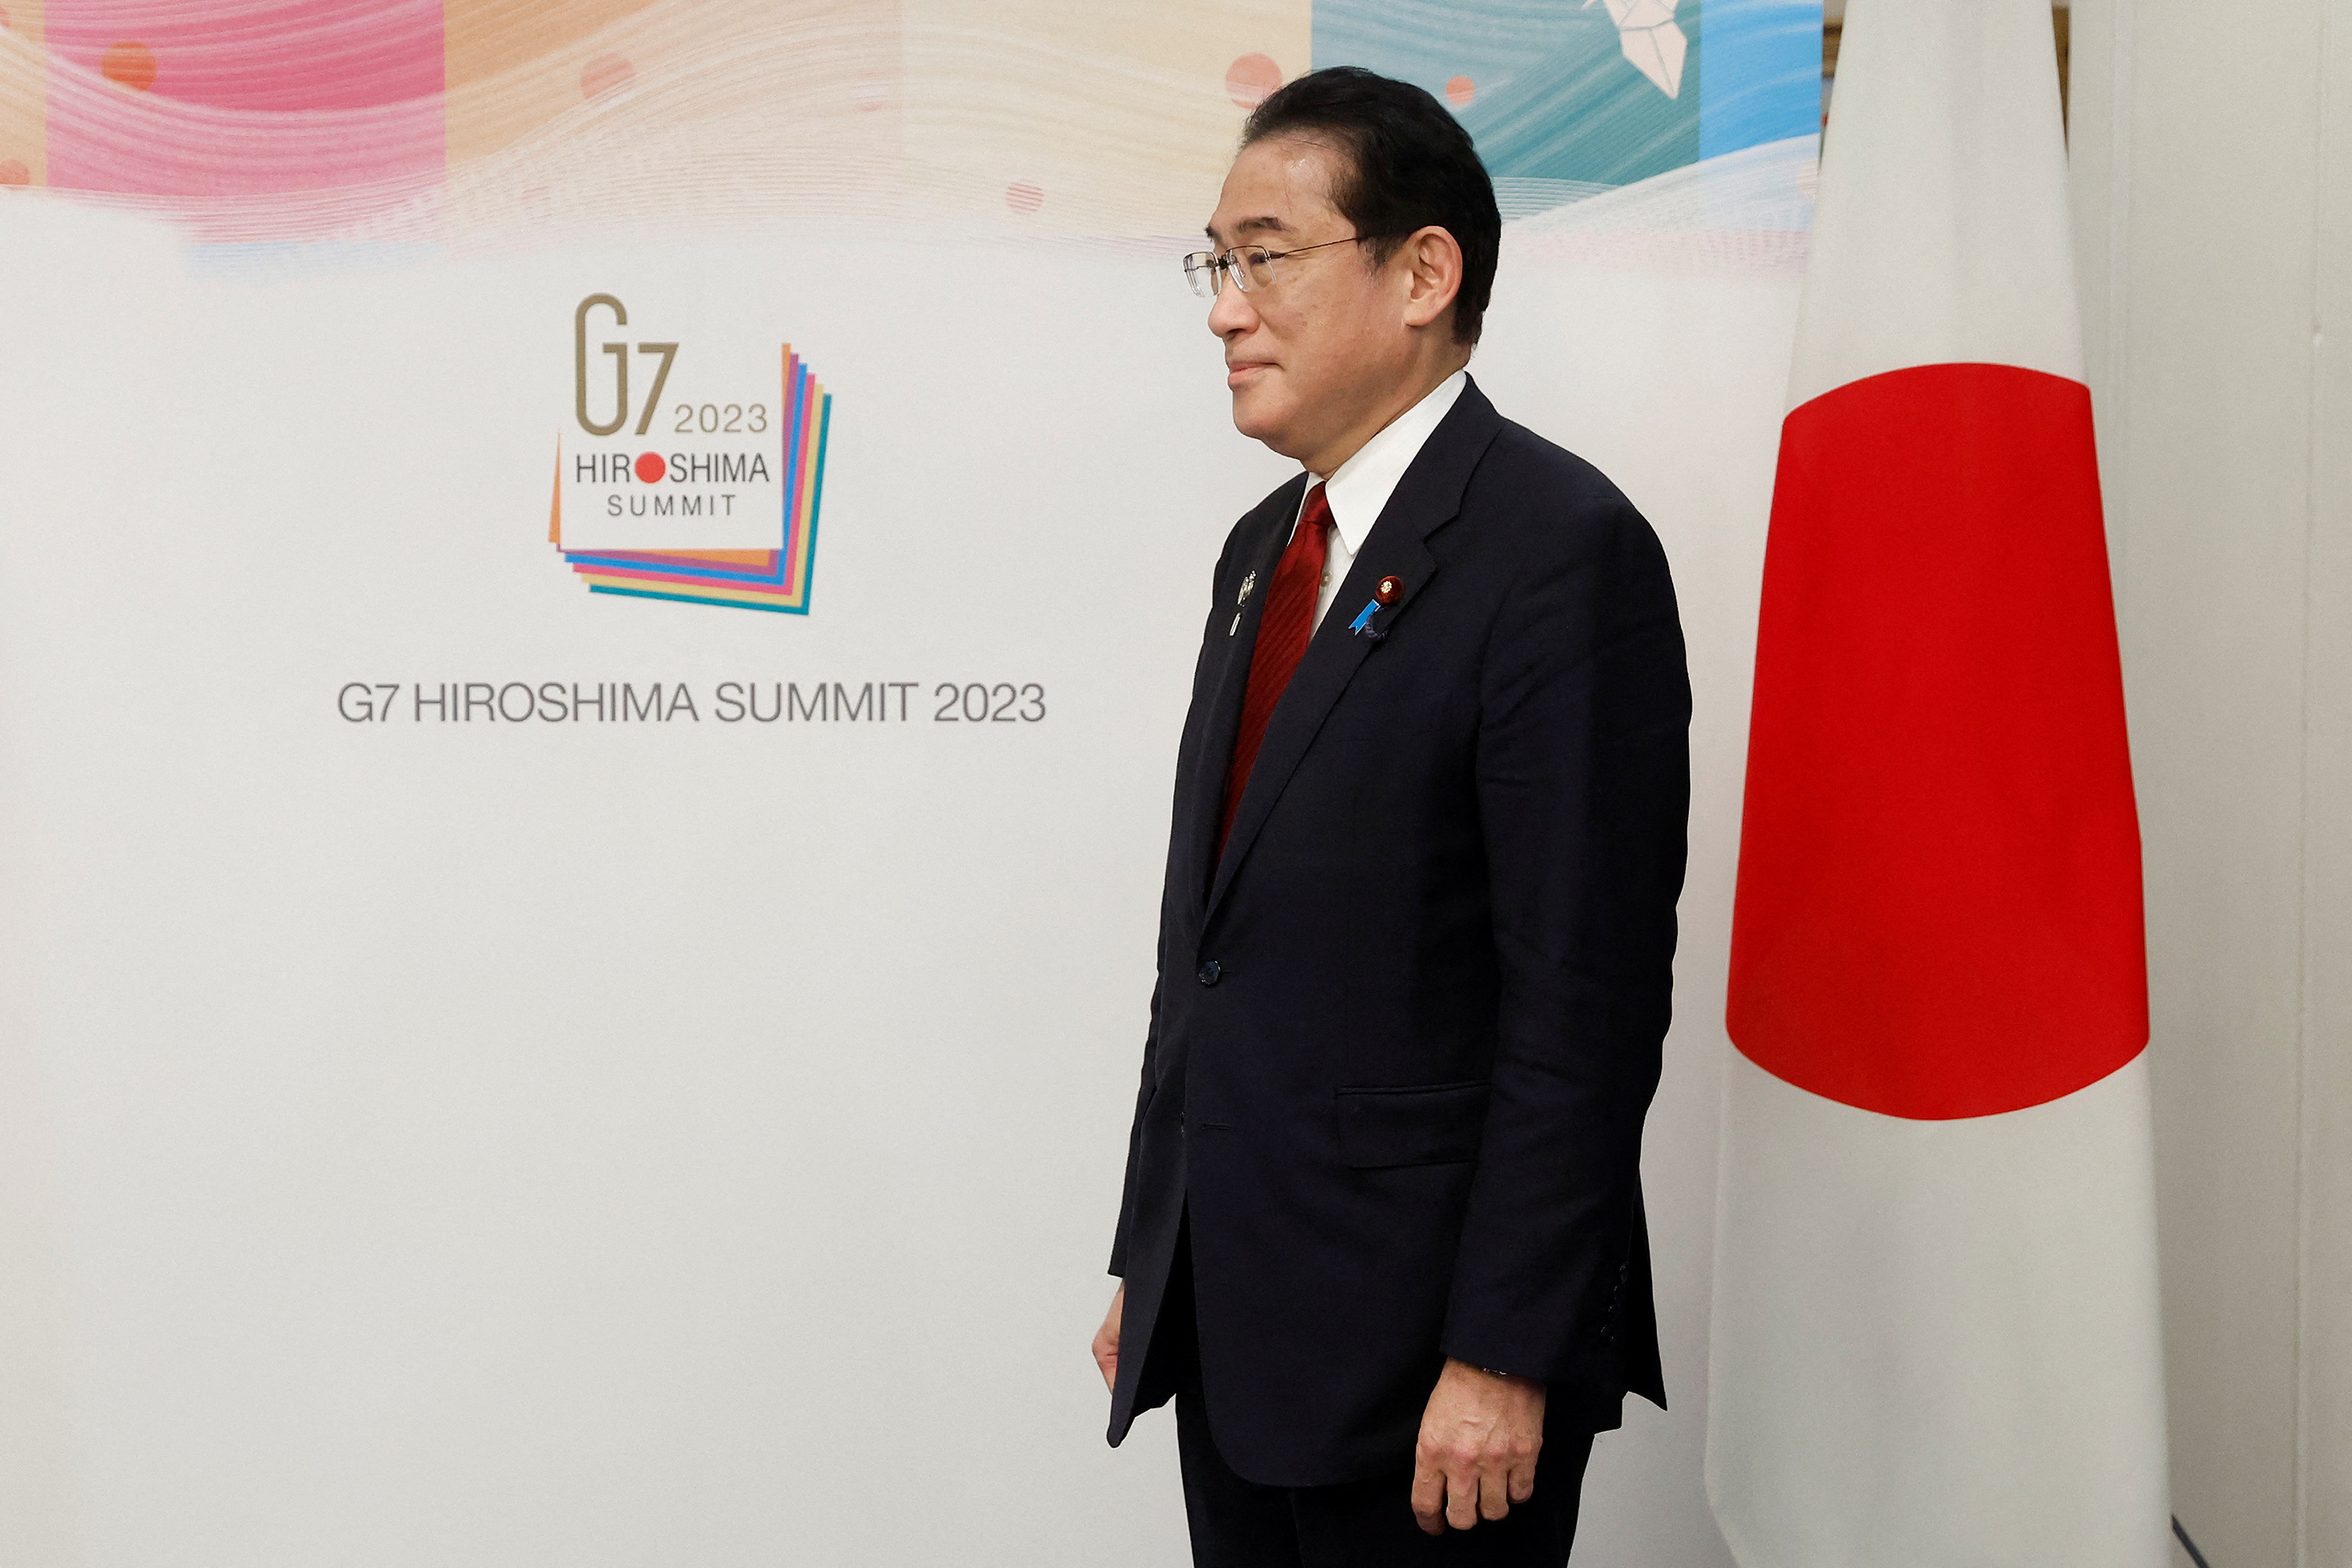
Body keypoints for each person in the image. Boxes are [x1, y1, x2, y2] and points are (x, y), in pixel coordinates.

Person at [1092, 66, 1690, 1566]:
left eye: (1266, 257)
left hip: (1432, 1372)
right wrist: (1158, 1248)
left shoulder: (1562, 551)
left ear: (1425, 273)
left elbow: (1585, 1003)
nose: (1225, 311)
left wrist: (1504, 1351)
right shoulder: (1264, 549)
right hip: (1237, 1320)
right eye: (1215, 265)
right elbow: (1211, 948)